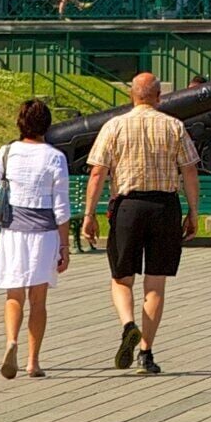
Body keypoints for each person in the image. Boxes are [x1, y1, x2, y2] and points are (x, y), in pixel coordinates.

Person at [82, 71, 199, 375]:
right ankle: (146, 352)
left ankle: (128, 324)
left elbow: (98, 173)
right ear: (159, 97)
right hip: (164, 207)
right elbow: (189, 171)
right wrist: (193, 212)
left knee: (121, 277)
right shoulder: (174, 126)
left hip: (127, 207)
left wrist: (89, 214)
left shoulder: (114, 126)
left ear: (132, 96)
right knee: (155, 282)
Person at [0, 98, 73, 379]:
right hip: (44, 234)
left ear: (20, 123)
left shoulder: (7, 153)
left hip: (13, 231)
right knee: (38, 299)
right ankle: (33, 362)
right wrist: (65, 246)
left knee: (13, 295)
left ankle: (11, 342)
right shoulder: (55, 157)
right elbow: (61, 208)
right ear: (47, 125)